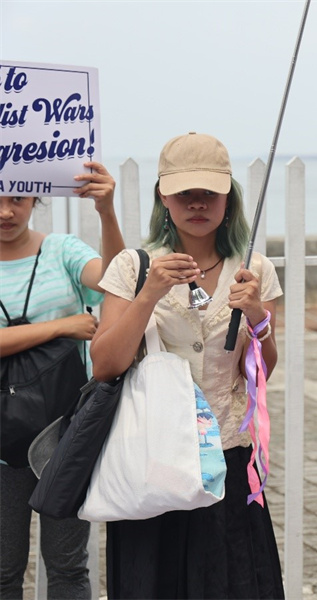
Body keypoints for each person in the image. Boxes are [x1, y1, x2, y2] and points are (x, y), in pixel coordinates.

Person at [89, 132, 284, 599]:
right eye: (184, 193)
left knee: (231, 583)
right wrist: (150, 293)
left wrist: (258, 316)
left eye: (209, 194)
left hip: (230, 457)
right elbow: (105, 364)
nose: (197, 204)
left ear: (228, 197)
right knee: (153, 585)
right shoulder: (133, 266)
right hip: (152, 457)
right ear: (163, 195)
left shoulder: (253, 268)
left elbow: (261, 372)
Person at [0, 163, 123, 599]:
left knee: (69, 568)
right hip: (0, 444)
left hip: (65, 434)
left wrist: (107, 211)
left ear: (36, 198)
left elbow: (115, 283)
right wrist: (59, 327)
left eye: (16, 198)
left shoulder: (62, 251)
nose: (6, 212)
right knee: (2, 571)